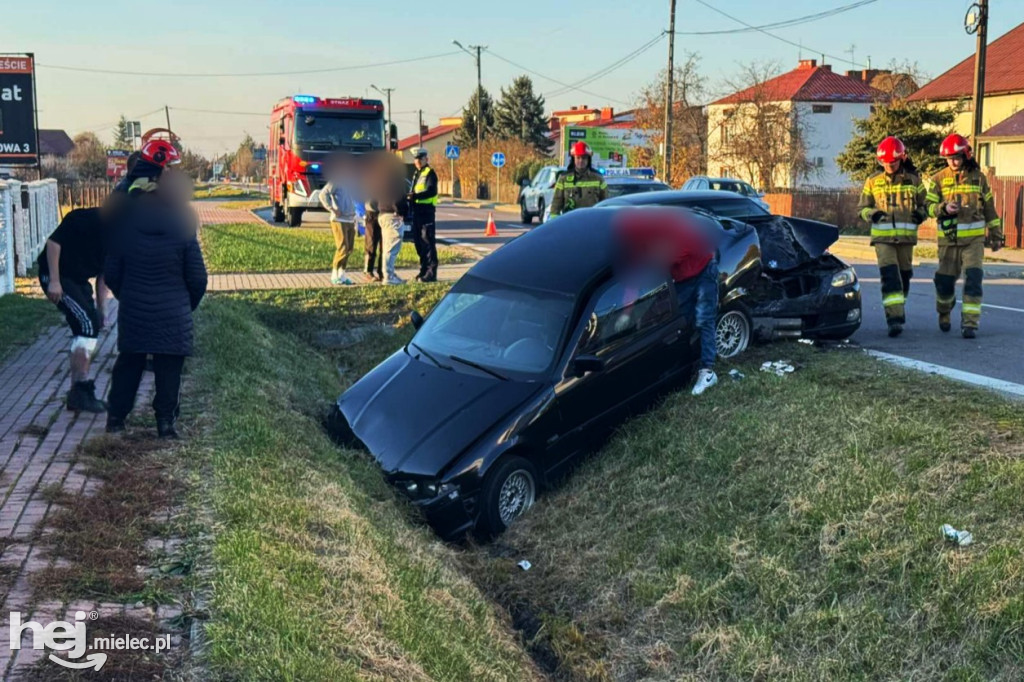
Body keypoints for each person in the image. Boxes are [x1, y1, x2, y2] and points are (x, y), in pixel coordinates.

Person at [104, 163, 208, 439]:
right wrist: (186, 304)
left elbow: (112, 273)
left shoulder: (125, 227)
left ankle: (116, 418)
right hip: (173, 312)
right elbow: (198, 278)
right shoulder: (182, 227)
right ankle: (165, 424)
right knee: (169, 368)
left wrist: (126, 296)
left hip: (135, 310)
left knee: (129, 364)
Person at [614, 207, 720, 396]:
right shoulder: (636, 242)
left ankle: (708, 372)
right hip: (682, 279)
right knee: (680, 320)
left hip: (704, 269)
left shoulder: (666, 224)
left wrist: (662, 256)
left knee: (704, 319)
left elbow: (691, 244)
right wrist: (626, 313)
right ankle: (684, 366)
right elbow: (633, 281)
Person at [925, 133, 1004, 338]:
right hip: (948, 241)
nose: (953, 161)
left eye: (957, 157)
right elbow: (928, 207)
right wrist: (943, 207)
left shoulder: (979, 178)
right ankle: (944, 311)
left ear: (966, 155)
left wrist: (996, 234)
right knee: (944, 284)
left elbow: (989, 208)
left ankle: (970, 324)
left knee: (973, 279)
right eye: (949, 158)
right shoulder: (938, 179)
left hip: (974, 242)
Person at [37, 207, 110, 412]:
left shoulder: (120, 238)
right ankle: (80, 391)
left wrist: (102, 309)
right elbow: (53, 243)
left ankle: (78, 392)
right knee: (87, 325)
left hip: (77, 280)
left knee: (90, 322)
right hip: (56, 276)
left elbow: (104, 274)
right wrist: (54, 281)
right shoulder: (85, 219)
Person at [857, 136, 927, 337]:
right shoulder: (872, 181)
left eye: (893, 162)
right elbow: (861, 208)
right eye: (884, 163)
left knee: (905, 276)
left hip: (906, 239)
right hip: (883, 239)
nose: (888, 166)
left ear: (901, 158)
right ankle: (894, 319)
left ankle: (898, 306)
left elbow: (926, 205)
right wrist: (872, 214)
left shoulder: (914, 181)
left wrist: (920, 214)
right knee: (890, 277)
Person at [368, 152, 410, 284]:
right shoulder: (395, 179)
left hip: (383, 214)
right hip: (393, 215)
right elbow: (397, 198)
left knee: (387, 246)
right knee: (392, 247)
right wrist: (401, 211)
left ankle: (388, 274)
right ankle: (389, 276)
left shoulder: (381, 178)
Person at [319, 155, 358, 285]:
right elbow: (323, 194)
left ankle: (342, 274)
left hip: (350, 219)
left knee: (349, 248)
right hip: (338, 219)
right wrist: (332, 208)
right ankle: (334, 273)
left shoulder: (352, 182)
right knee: (342, 247)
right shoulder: (336, 180)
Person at [550, 141, 607, 218]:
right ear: (573, 159)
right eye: (578, 157)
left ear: (588, 159)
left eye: (584, 158)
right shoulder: (564, 178)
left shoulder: (598, 178)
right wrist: (555, 224)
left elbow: (605, 202)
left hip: (592, 221)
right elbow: (556, 203)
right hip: (570, 222)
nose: (581, 161)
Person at [407, 148, 439, 282]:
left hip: (427, 212)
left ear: (426, 159)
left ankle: (431, 273)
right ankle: (423, 270)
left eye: (420, 158)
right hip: (417, 212)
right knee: (419, 242)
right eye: (416, 159)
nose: (418, 161)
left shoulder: (430, 173)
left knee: (428, 242)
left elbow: (431, 191)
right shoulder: (416, 174)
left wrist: (415, 196)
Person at [363, 199, 384, 282]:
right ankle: (368, 271)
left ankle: (382, 271)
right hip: (372, 213)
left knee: (384, 246)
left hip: (384, 213)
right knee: (371, 244)